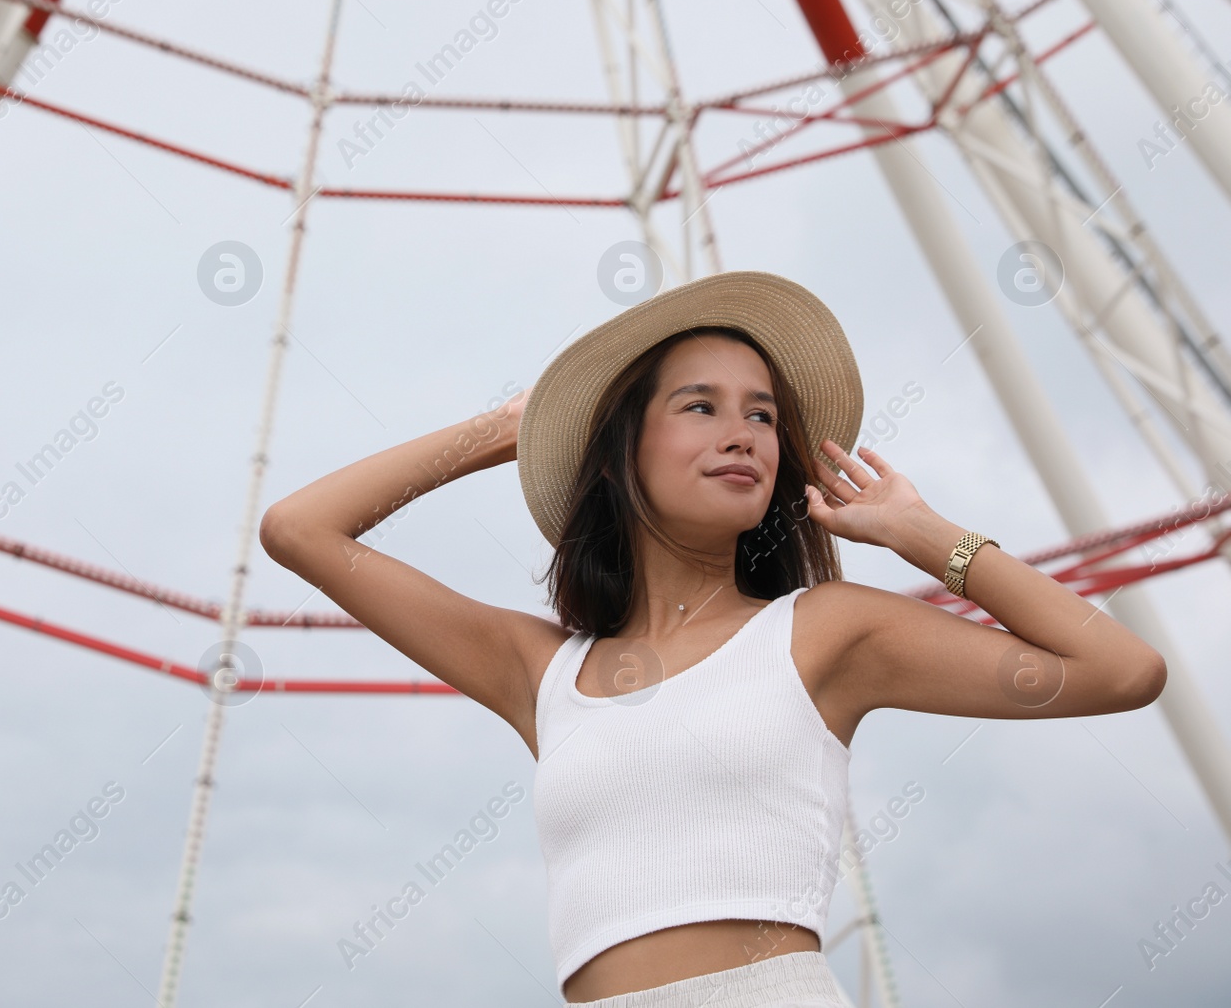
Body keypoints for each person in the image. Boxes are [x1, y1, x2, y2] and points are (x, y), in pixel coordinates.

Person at [258, 270, 1166, 1007]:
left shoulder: (823, 633)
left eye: (763, 415)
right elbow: (301, 529)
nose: (743, 434)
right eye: (701, 407)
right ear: (621, 453)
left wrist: (924, 535)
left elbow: (1121, 670)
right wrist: (510, 428)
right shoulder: (541, 670)